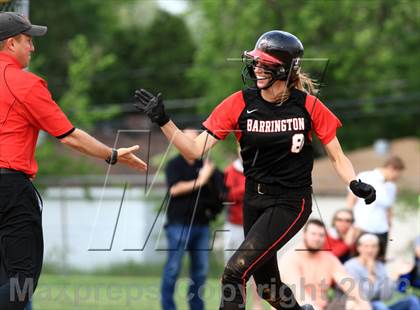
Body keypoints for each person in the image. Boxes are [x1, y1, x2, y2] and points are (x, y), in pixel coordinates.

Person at [133, 30, 376, 310]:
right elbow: (194, 150)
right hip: (254, 200)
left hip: (290, 201)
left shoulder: (308, 106)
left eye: (265, 64)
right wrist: (164, 121)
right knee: (268, 286)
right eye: (256, 63)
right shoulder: (240, 102)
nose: (257, 68)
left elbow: (337, 157)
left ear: (284, 70)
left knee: (234, 272)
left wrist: (353, 181)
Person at [0, 12, 147, 309]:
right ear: (11, 42)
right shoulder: (24, 84)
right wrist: (113, 155)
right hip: (9, 189)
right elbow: (68, 135)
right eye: (28, 40)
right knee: (21, 282)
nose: (33, 47)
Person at [161, 129, 224, 310]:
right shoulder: (174, 165)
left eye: (194, 140)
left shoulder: (206, 165)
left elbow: (221, 190)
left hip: (202, 226)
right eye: (187, 140)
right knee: (173, 269)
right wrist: (201, 180)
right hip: (178, 225)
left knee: (200, 271)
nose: (191, 144)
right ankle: (168, 307)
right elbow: (174, 189)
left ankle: (197, 306)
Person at [279, 219, 371, 310]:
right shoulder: (290, 258)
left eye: (321, 235)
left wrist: (364, 303)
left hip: (323, 306)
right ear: (304, 235)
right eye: (313, 234)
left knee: (354, 304)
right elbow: (299, 293)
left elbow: (347, 281)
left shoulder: (328, 258)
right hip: (296, 307)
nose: (317, 238)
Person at [223, 147, 264, 310]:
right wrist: (250, 187)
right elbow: (228, 196)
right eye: (241, 148)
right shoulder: (231, 171)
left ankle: (257, 304)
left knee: (256, 267)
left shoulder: (260, 168)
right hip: (235, 224)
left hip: (257, 225)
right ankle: (233, 303)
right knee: (232, 268)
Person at [347, 156, 405, 261]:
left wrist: (389, 230)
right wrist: (351, 225)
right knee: (357, 261)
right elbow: (351, 200)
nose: (397, 178)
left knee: (379, 263)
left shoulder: (392, 187)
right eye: (398, 174)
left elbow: (389, 210)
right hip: (362, 228)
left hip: (382, 231)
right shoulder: (365, 176)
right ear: (392, 168)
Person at [344, 234, 420, 310]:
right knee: (379, 305)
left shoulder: (379, 266)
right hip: (359, 306)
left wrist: (394, 276)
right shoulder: (351, 266)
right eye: (366, 246)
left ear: (378, 248)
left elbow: (385, 296)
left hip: (379, 306)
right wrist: (371, 273)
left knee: (412, 300)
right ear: (359, 248)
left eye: (374, 246)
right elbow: (363, 297)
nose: (370, 250)